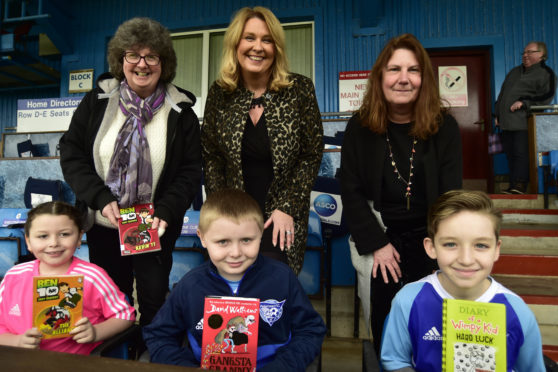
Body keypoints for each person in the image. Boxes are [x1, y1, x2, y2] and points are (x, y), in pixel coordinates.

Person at [59, 17, 202, 325]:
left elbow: (191, 170)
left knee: (153, 298)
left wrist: (167, 209)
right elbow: (71, 153)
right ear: (120, 59)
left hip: (154, 224)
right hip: (104, 222)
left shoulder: (181, 111)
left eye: (152, 56)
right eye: (133, 55)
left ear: (163, 62)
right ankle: (119, 353)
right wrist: (98, 197)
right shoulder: (97, 101)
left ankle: (151, 349)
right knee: (114, 299)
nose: (142, 64)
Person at [339, 33, 463, 357]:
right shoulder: (360, 127)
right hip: (378, 237)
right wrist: (377, 244)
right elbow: (349, 189)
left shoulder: (445, 127)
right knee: (386, 331)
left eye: (413, 70)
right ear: (380, 77)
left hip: (431, 238)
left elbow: (452, 195)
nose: (404, 79)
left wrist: (442, 245)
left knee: (433, 333)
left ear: (425, 79)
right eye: (394, 69)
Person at [143, 189, 326, 370]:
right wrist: (186, 367)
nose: (236, 253)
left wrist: (283, 367)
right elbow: (158, 336)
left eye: (246, 240)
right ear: (203, 238)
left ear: (261, 234)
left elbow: (311, 330)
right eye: (223, 242)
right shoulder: (189, 286)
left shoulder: (283, 278)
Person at [201, 6, 323, 274]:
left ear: (276, 47)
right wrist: (220, 210)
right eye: (250, 38)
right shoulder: (220, 93)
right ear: (236, 44)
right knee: (234, 294)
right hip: (233, 218)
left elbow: (311, 154)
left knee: (272, 295)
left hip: (280, 219)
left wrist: (287, 207)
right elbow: (211, 157)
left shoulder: (299, 89)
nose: (258, 47)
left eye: (267, 40)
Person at [380, 190, 545, 371]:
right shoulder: (408, 301)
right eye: (450, 244)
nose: (466, 259)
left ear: (496, 250)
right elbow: (394, 360)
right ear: (431, 247)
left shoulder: (517, 311)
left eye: (481, 245)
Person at [0, 201, 135, 355]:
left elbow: (124, 315)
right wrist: (16, 342)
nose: (53, 243)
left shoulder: (93, 277)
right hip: (17, 361)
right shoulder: (13, 276)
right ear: (28, 242)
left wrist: (96, 332)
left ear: (79, 238)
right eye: (43, 236)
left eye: (64, 234)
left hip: (74, 363)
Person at [495, 41, 557, 194]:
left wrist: (524, 103)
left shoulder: (546, 74)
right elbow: (502, 95)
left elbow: (546, 97)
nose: (525, 55)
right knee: (510, 155)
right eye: (524, 53)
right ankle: (513, 185)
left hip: (524, 122)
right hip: (506, 122)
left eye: (530, 52)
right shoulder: (514, 71)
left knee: (521, 154)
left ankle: (520, 185)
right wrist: (497, 115)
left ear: (541, 55)